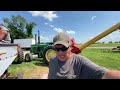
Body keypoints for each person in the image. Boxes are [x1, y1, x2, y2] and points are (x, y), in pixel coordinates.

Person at [47, 32, 120, 79]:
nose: (60, 52)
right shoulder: (52, 59)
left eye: (64, 48)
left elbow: (104, 74)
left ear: (70, 47)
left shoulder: (80, 61)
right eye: (56, 49)